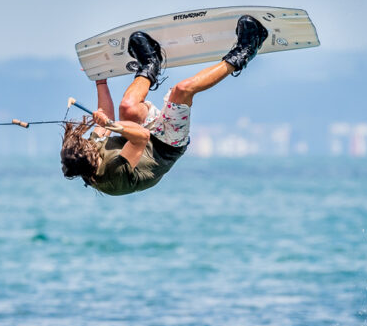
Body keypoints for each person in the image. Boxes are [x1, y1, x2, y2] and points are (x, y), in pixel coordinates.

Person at [60, 14, 268, 195]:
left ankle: (151, 63)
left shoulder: (87, 153)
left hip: (143, 136)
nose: (90, 142)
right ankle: (245, 50)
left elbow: (105, 114)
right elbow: (140, 137)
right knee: (182, 90)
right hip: (166, 146)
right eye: (88, 146)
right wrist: (112, 125)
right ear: (91, 160)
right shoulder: (113, 175)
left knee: (128, 108)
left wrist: (100, 80)